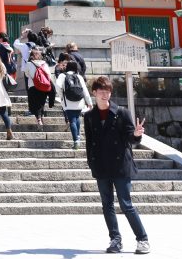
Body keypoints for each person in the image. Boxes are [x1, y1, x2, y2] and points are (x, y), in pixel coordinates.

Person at [84, 76, 150, 255]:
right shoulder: (89, 116)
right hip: (102, 167)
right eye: (101, 91)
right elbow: (89, 143)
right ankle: (115, 240)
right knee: (107, 205)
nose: (105, 94)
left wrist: (136, 134)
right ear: (94, 93)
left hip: (121, 165)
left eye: (108, 91)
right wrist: (92, 164)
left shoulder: (121, 112)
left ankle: (142, 239)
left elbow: (131, 138)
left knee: (126, 203)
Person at [56, 60, 93, 149]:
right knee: (77, 118)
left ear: (67, 67)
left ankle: (76, 141)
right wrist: (89, 103)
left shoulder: (62, 76)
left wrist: (61, 96)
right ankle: (78, 137)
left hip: (68, 102)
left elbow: (58, 86)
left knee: (72, 120)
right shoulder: (79, 76)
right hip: (79, 102)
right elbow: (85, 91)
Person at [23, 48, 54, 126]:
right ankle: (41, 118)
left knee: (35, 104)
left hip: (33, 86)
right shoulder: (45, 64)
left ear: (31, 56)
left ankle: (39, 119)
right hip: (44, 86)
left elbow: (26, 74)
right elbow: (49, 75)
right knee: (41, 103)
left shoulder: (29, 64)